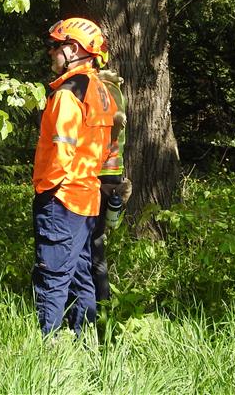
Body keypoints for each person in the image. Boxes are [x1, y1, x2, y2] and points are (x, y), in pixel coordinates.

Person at [32, 18, 116, 336]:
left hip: (62, 198)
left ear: (73, 49)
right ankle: (85, 344)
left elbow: (60, 151)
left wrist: (46, 189)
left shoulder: (68, 94)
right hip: (87, 198)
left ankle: (47, 348)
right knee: (81, 276)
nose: (51, 53)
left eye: (55, 46)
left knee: (51, 277)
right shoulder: (101, 90)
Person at [92, 68, 132, 304]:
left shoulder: (101, 90)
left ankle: (99, 305)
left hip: (101, 176)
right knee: (96, 243)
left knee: (93, 245)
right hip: (109, 175)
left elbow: (111, 132)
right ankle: (100, 303)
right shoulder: (112, 88)